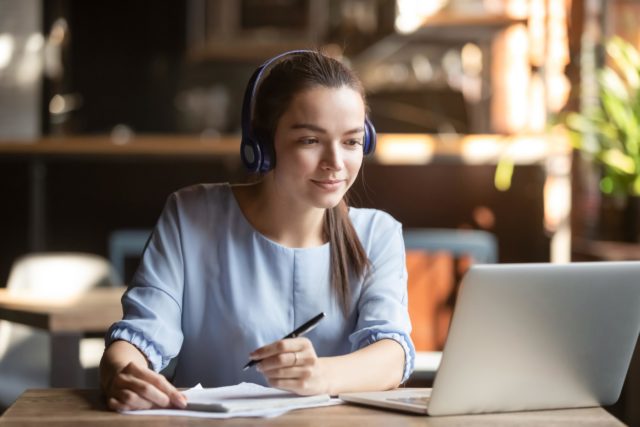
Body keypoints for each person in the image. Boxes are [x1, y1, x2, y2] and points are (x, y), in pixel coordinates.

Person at [100, 50, 415, 411]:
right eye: (309, 140)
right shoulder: (192, 215)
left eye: (351, 141)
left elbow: (392, 354)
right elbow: (141, 334)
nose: (335, 163)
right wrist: (120, 371)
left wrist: (319, 376)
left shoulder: (378, 233)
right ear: (262, 146)